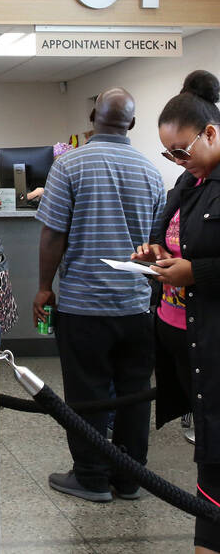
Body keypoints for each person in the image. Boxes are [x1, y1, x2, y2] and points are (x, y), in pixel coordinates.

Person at [32, 87, 164, 503]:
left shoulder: (69, 165)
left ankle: (90, 477)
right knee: (134, 393)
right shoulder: (151, 172)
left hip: (83, 305)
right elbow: (158, 244)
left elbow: (53, 234)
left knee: (87, 392)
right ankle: (129, 478)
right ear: (133, 124)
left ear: (92, 118)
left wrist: (44, 287)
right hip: (136, 305)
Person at [134, 70, 220, 553]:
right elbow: (169, 236)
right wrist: (154, 254)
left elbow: (200, 261)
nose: (176, 162)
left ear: (210, 133)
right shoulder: (188, 182)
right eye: (168, 154)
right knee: (209, 454)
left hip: (213, 340)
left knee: (215, 462)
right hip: (180, 336)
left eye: (181, 151)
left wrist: (195, 273)